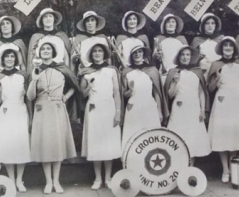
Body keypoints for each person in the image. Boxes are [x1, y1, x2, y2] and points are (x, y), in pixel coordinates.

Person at [27, 39, 81, 194]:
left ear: (53, 52)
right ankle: (48, 182)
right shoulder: (36, 70)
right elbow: (30, 96)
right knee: (45, 146)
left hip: (57, 109)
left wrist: (66, 96)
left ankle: (56, 181)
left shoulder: (61, 69)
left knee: (56, 146)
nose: (45, 51)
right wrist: (35, 77)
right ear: (39, 53)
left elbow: (74, 86)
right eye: (43, 49)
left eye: (48, 49)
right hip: (42, 110)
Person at [206, 37, 239, 183]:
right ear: (221, 49)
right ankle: (225, 169)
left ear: (234, 49)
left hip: (237, 100)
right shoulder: (216, 65)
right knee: (222, 133)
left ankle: (233, 166)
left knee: (235, 133)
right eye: (225, 46)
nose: (227, 48)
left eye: (230, 46)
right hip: (222, 100)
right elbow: (210, 88)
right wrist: (217, 78)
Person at [0, 47, 31, 193]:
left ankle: (19, 180)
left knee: (21, 145)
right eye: (6, 57)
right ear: (2, 60)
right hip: (5, 114)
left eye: (12, 56)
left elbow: (29, 98)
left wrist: (30, 117)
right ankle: (11, 179)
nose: (9, 59)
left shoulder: (23, 75)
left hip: (21, 112)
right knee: (9, 147)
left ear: (16, 59)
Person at [79, 42, 122, 190]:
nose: (97, 53)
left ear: (104, 54)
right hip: (93, 110)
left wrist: (118, 113)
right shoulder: (86, 72)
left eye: (100, 51)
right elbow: (82, 94)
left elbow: (116, 92)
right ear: (91, 55)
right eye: (95, 51)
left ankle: (108, 178)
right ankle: (98, 178)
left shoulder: (112, 70)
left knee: (108, 144)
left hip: (109, 109)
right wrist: (89, 86)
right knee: (96, 143)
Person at [165, 46, 211, 164]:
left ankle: (190, 167)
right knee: (178, 134)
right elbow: (170, 95)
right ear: (179, 57)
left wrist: (202, 109)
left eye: (187, 55)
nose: (185, 57)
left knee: (192, 136)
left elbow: (201, 92)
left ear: (191, 57)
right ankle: (178, 167)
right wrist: (174, 82)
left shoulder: (197, 72)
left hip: (194, 108)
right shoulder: (173, 72)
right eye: (182, 55)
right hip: (179, 108)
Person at [121, 46, 168, 151]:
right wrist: (130, 90)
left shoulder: (152, 70)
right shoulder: (127, 72)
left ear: (143, 54)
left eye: (140, 52)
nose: (137, 55)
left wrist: (159, 111)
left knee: (150, 134)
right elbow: (124, 94)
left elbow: (157, 92)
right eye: (135, 53)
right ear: (131, 56)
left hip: (149, 106)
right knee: (133, 134)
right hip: (133, 107)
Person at [27, 8, 71, 73]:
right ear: (42, 20)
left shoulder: (61, 36)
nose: (48, 19)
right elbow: (32, 58)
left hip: (60, 71)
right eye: (45, 17)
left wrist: (66, 71)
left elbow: (66, 57)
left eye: (50, 16)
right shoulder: (36, 37)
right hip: (42, 71)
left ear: (54, 19)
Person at [153, 14, 189, 82]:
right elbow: (154, 57)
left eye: (173, 22)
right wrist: (156, 56)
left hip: (179, 72)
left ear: (176, 25)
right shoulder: (159, 38)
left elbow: (188, 55)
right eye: (168, 22)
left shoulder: (182, 38)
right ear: (164, 25)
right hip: (164, 72)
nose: (171, 24)